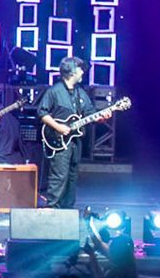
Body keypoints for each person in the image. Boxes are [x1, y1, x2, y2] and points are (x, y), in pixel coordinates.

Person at [36, 55, 109, 208]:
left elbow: (89, 113)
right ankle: (52, 208)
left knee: (72, 176)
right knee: (59, 176)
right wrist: (58, 126)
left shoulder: (80, 93)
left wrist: (101, 118)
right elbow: (42, 113)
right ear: (72, 72)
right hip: (58, 141)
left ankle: (68, 208)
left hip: (75, 142)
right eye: (81, 70)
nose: (83, 73)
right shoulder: (54, 91)